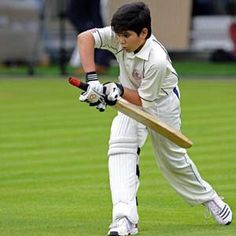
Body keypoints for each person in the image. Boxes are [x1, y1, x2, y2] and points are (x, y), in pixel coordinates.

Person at [77, 2, 233, 235]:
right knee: (120, 148)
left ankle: (210, 198)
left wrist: (115, 90)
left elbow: (142, 100)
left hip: (160, 105)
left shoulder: (156, 60)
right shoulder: (121, 34)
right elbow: (84, 38)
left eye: (126, 36)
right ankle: (124, 220)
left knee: (172, 162)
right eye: (117, 35)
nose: (120, 41)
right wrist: (93, 82)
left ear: (144, 33)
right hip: (128, 99)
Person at [67, 0, 111, 73]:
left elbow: (96, 13)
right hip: (85, 24)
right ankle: (92, 66)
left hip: (94, 23)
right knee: (87, 42)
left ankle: (99, 65)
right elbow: (73, 13)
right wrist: (84, 26)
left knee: (98, 42)